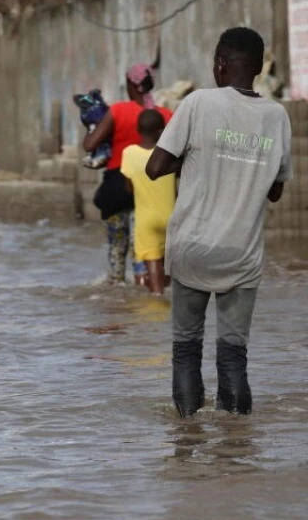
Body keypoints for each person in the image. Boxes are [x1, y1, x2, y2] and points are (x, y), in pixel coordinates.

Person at [145, 27, 292, 417]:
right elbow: (275, 191)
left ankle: (187, 437)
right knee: (233, 356)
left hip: (192, 246)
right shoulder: (277, 116)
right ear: (259, 68)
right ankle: (236, 447)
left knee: (186, 349)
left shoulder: (199, 103)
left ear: (219, 64)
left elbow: (154, 167)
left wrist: (198, 156)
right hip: (242, 254)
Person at [84, 62, 174, 285]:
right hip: (151, 195)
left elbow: (90, 144)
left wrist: (92, 130)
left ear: (131, 86)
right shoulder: (165, 116)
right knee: (144, 252)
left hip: (117, 190)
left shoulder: (118, 111)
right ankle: (147, 302)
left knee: (117, 250)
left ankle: (118, 296)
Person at [119, 109, 174, 296]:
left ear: (138, 129)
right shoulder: (169, 154)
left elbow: (128, 187)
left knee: (153, 263)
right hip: (172, 218)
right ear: (162, 130)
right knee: (169, 267)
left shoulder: (129, 153)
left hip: (146, 221)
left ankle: (157, 303)